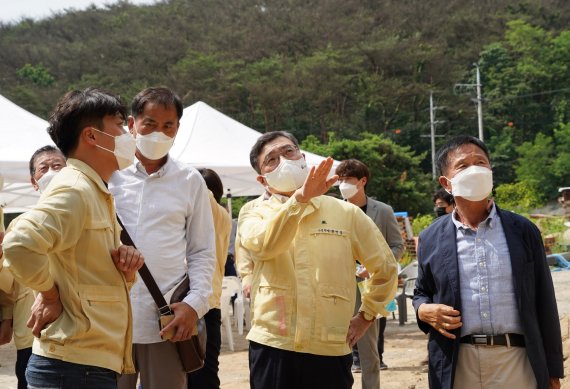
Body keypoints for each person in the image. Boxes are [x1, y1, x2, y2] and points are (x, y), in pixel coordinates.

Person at [2, 88, 144, 389]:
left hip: (84, 363)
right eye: (119, 125)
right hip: (75, 367)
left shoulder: (93, 190)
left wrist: (125, 271)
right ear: (92, 136)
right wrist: (50, 294)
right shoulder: (76, 189)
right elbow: (18, 244)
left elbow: (84, 271)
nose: (128, 132)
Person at [238, 131, 398, 389]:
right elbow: (264, 246)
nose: (284, 161)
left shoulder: (345, 213)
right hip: (273, 344)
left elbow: (386, 268)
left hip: (329, 346)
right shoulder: (254, 212)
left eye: (288, 152)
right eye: (272, 159)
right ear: (262, 179)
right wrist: (299, 199)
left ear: (302, 157)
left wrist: (366, 315)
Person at [413, 135, 564, 389]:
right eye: (463, 165)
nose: (474, 169)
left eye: (481, 162)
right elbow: (421, 292)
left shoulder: (522, 230)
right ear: (446, 183)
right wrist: (421, 310)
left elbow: (544, 300)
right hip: (458, 361)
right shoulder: (431, 238)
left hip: (517, 360)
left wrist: (553, 370)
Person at [110, 87, 216, 389]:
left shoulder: (190, 181)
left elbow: (203, 250)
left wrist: (194, 304)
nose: (159, 132)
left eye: (168, 125)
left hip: (166, 321)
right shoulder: (109, 175)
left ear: (178, 128)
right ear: (132, 125)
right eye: (150, 124)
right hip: (111, 322)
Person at [0, 145, 67, 389]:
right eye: (44, 168)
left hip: (74, 332)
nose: (51, 172)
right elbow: (10, 282)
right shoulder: (19, 224)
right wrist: (7, 318)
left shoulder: (88, 215)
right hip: (30, 329)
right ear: (33, 181)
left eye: (58, 166)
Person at [335, 158, 405, 388]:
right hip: (336, 285)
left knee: (368, 350)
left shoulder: (382, 211)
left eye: (348, 180)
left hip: (369, 288)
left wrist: (374, 267)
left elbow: (398, 246)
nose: (343, 184)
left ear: (362, 181)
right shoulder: (333, 209)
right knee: (335, 348)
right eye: (340, 180)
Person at [188, 168, 232, 389]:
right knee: (203, 371)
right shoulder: (222, 215)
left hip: (197, 304)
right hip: (209, 302)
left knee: (200, 374)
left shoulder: (210, 207)